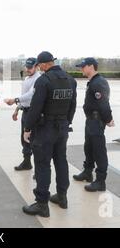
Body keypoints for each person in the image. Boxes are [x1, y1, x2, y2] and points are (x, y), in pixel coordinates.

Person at [22, 51, 77, 217]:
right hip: (62, 127)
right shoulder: (70, 80)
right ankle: (62, 196)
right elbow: (72, 106)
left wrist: (27, 128)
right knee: (61, 161)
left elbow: (36, 107)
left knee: (42, 164)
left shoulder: (43, 80)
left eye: (40, 65)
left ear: (44, 65)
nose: (40, 68)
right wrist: (66, 122)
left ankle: (42, 204)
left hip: (45, 128)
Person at [73, 58, 115, 192]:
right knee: (89, 148)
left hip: (97, 121)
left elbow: (103, 103)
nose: (81, 69)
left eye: (83, 66)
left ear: (91, 66)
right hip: (91, 121)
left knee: (99, 150)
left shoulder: (99, 82)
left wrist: (108, 119)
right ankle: (87, 172)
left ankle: (100, 181)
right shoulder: (93, 82)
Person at [5, 58, 41, 171]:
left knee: (34, 139)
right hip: (25, 111)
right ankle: (27, 162)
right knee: (24, 138)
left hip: (33, 112)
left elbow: (31, 95)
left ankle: (39, 169)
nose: (28, 69)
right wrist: (17, 108)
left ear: (37, 66)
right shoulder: (26, 79)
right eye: (27, 67)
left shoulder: (38, 79)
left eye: (30, 67)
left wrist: (14, 100)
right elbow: (24, 96)